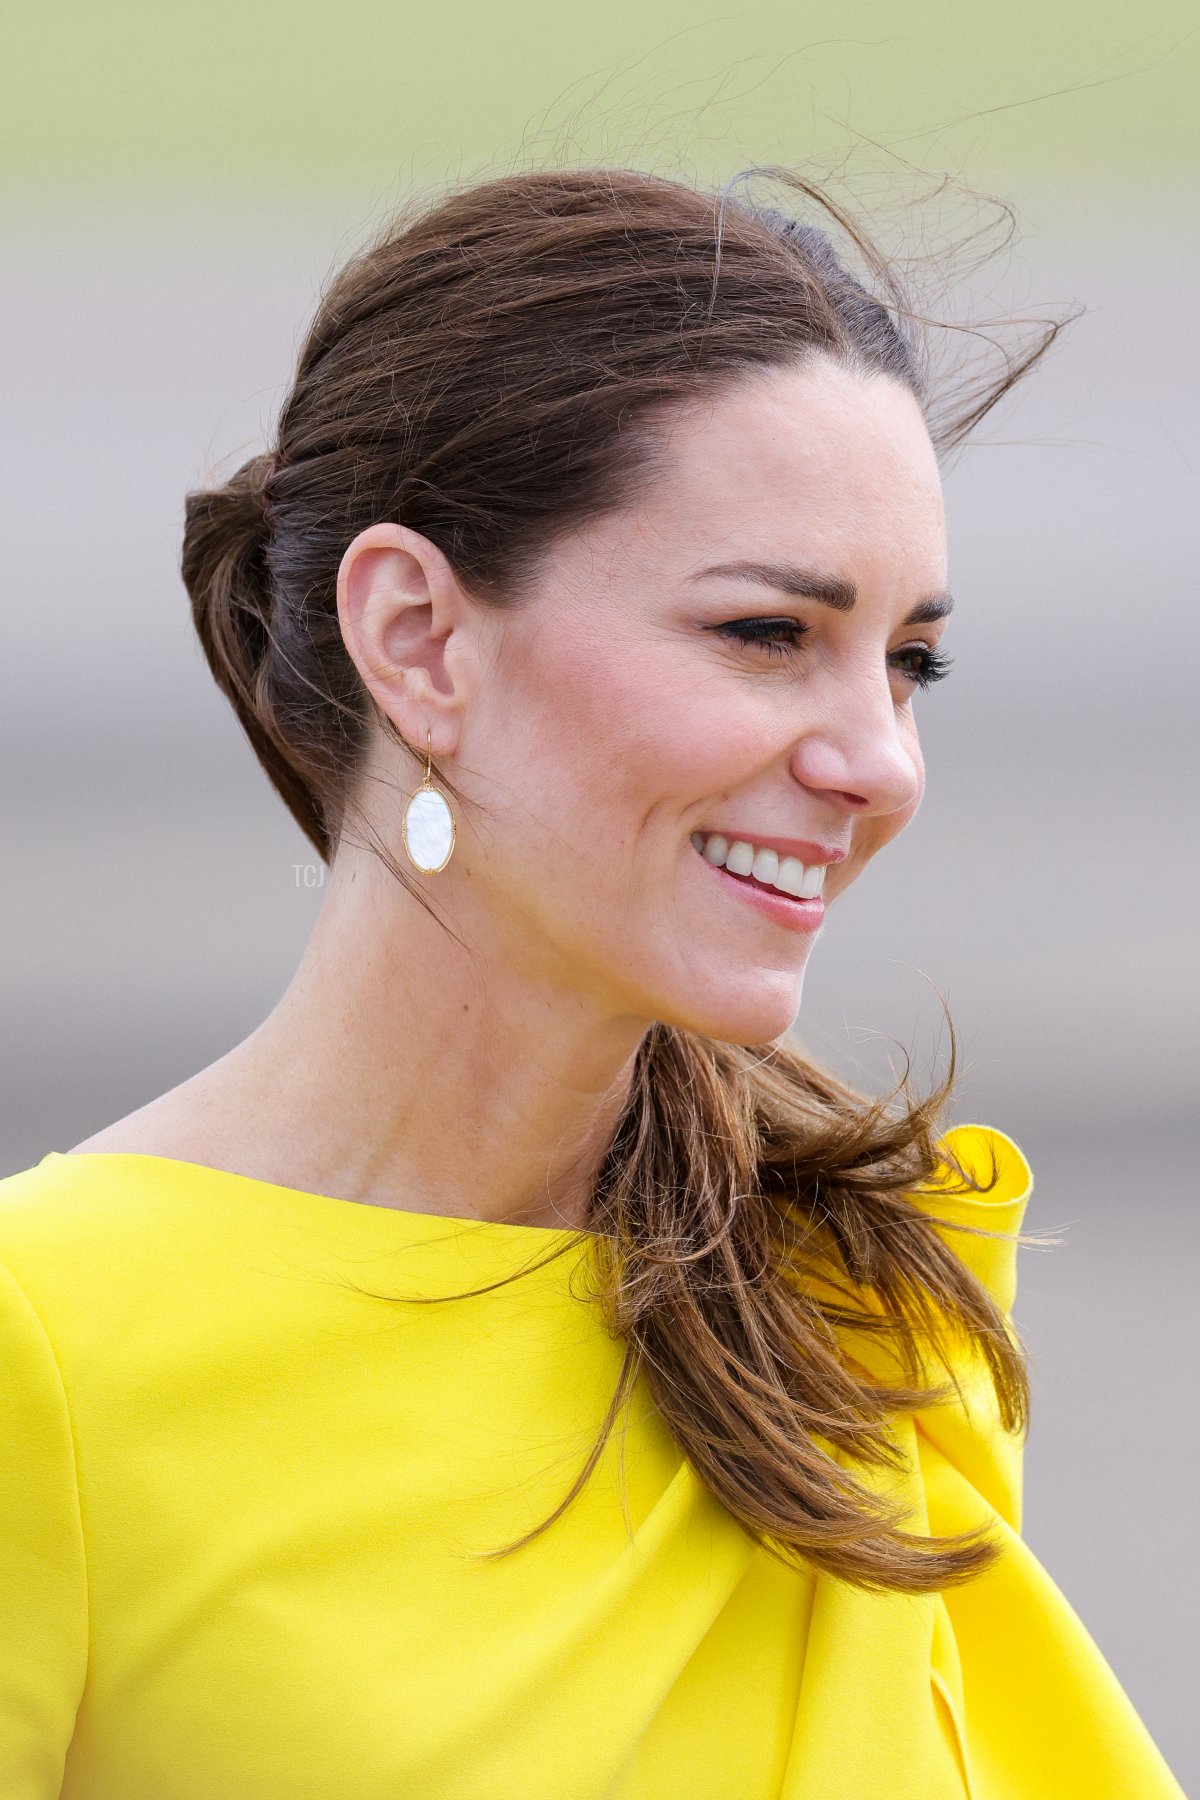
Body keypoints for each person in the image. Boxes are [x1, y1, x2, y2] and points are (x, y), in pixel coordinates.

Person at [0, 167, 1183, 1799]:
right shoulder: (44, 1351)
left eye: (909, 661)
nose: (882, 764)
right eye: (768, 633)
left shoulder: (851, 1308)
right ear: (418, 639)